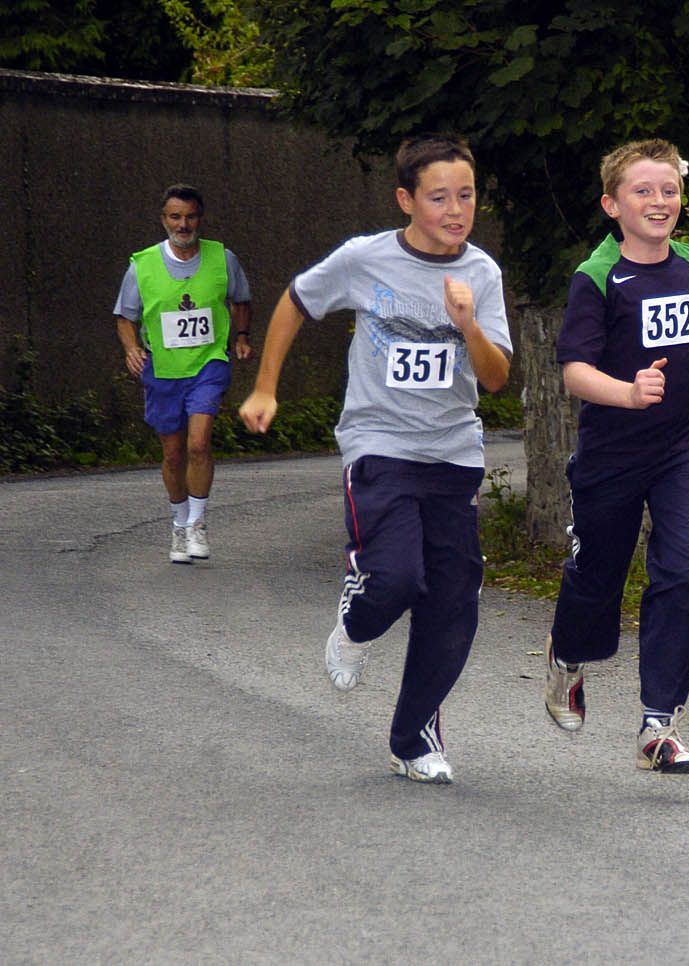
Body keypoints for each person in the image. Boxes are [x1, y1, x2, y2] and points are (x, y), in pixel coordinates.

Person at [238, 133, 512, 785]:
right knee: (394, 577)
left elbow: (497, 379)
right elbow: (296, 302)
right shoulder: (366, 259)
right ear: (406, 200)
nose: (455, 209)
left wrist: (469, 325)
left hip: (453, 455)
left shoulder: (482, 275)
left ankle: (413, 738)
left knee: (453, 602)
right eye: (439, 197)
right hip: (379, 446)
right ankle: (356, 627)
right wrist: (266, 386)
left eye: (466, 195)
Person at [542, 138, 689, 774]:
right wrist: (628, 393)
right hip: (612, 453)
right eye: (643, 191)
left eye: (668, 190)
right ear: (612, 204)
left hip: (683, 447)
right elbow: (574, 372)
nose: (659, 201)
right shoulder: (597, 277)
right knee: (597, 580)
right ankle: (567, 660)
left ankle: (658, 725)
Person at [113, 184, 254, 564]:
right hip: (163, 369)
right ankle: (178, 525)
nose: (184, 224)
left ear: (200, 219)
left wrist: (241, 337)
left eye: (190, 216)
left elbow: (241, 299)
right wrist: (131, 348)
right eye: (175, 217)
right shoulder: (141, 265)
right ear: (164, 220)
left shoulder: (222, 259)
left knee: (198, 443)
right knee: (173, 454)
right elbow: (125, 317)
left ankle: (197, 523)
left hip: (209, 362)